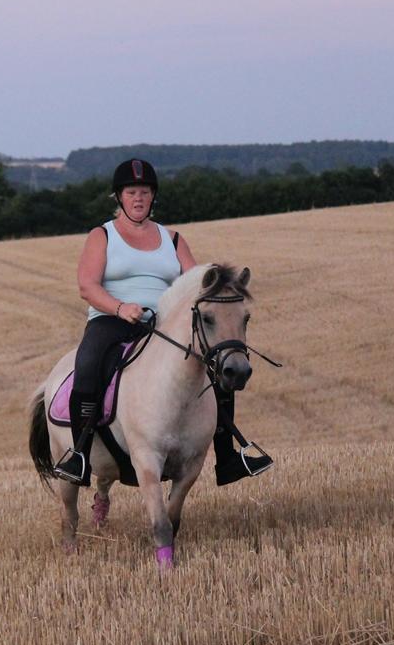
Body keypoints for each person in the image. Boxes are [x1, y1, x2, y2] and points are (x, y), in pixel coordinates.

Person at [54, 158, 271, 486]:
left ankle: (227, 458)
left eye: (144, 191)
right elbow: (88, 286)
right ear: (119, 197)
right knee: (88, 367)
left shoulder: (173, 240)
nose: (138, 198)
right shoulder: (103, 236)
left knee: (218, 370)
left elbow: (199, 283)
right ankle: (80, 455)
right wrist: (119, 307)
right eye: (131, 192)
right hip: (111, 322)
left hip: (162, 327)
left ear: (153, 196)